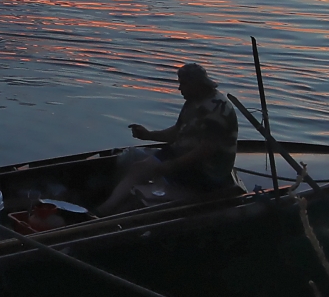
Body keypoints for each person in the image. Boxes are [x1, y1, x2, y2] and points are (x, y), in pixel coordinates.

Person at [93, 63, 238, 217]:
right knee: (139, 167)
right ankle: (106, 208)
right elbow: (177, 132)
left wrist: (172, 165)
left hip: (206, 170)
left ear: (197, 84)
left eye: (183, 84)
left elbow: (207, 150)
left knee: (153, 175)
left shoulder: (217, 110)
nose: (179, 88)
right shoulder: (193, 101)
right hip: (183, 154)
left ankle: (122, 211)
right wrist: (148, 135)